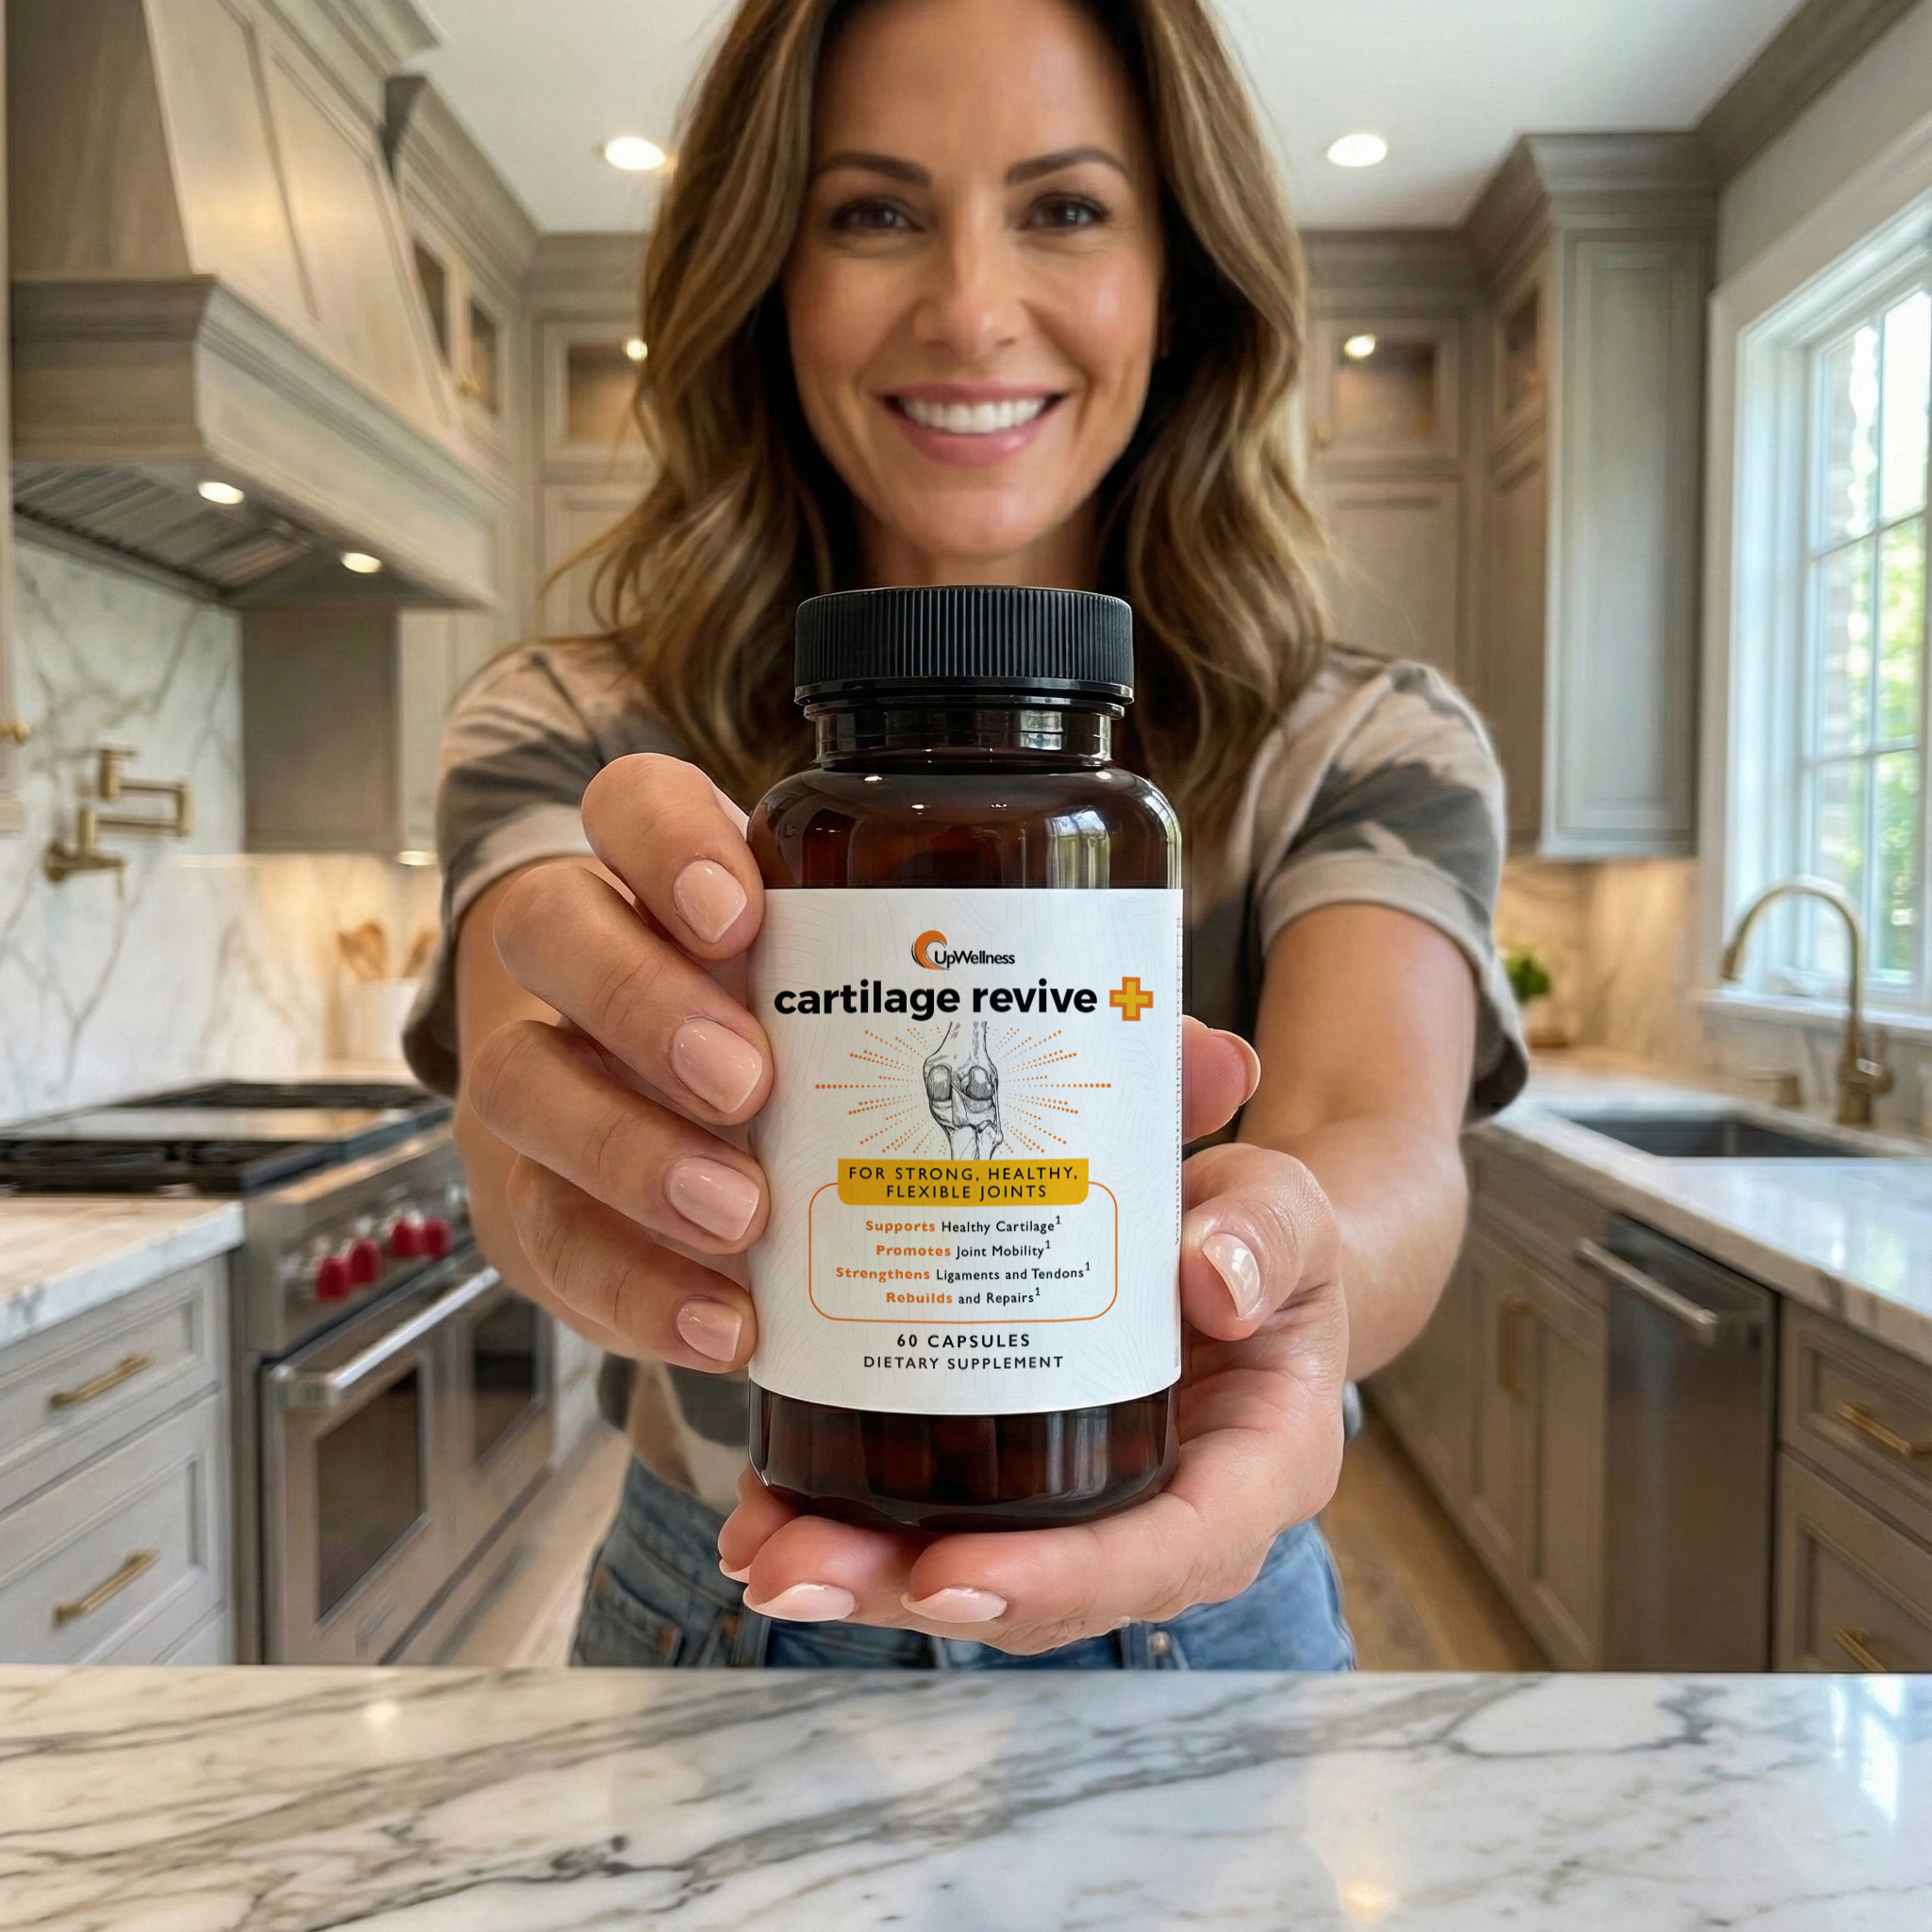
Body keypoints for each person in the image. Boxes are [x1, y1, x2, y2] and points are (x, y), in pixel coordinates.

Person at [404, 0, 1525, 1670]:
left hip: (1197, 1593)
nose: (972, 309)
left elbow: (1380, 1138)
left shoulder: (1369, 737)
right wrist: (593, 1172)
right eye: (874, 212)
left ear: (1180, 277)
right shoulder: (567, 727)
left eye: (1066, 208)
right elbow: (523, 1125)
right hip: (728, 1590)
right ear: (766, 271)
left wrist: (1270, 1271)